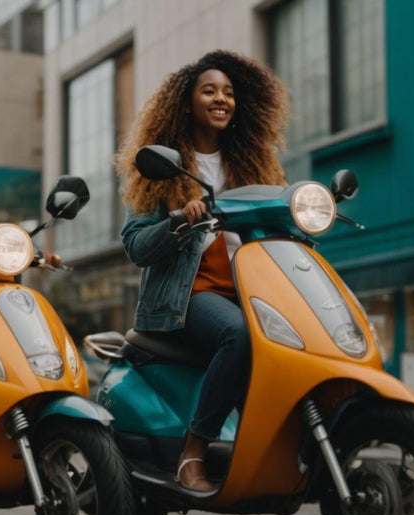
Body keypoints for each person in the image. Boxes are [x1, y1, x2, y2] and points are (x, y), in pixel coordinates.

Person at [115, 50, 289, 492]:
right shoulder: (165, 166)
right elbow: (135, 245)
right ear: (186, 103)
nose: (221, 99)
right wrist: (178, 222)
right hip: (188, 297)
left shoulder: (253, 165)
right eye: (209, 90)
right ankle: (194, 451)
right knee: (241, 336)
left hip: (252, 291)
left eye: (229, 93)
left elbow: (279, 218)